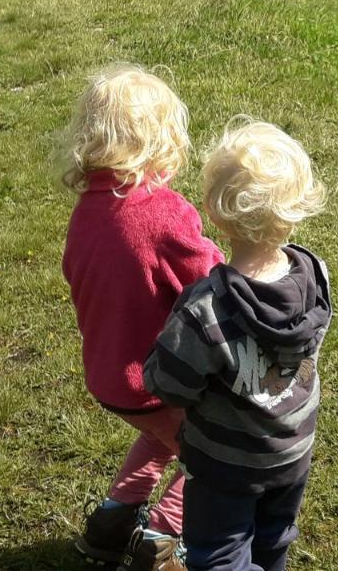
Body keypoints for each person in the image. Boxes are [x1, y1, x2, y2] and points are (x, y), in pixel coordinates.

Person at [144, 118, 329, 571]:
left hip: (225, 465)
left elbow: (169, 384)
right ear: (297, 209)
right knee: (274, 538)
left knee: (220, 557)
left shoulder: (205, 307)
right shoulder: (314, 274)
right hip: (292, 449)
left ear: (213, 210)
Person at [60, 64, 223, 570]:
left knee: (160, 438)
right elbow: (211, 279)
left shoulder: (89, 208)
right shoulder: (163, 212)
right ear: (164, 141)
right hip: (159, 379)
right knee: (214, 457)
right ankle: (161, 537)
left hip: (110, 376)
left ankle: (110, 525)